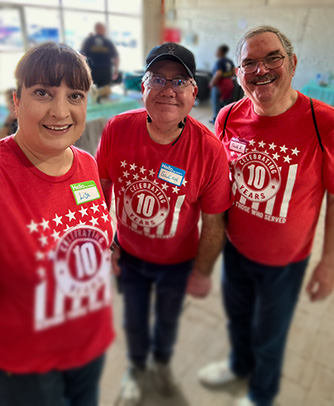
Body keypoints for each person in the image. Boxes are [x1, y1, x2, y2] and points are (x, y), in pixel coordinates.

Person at [198, 26, 334, 406]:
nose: (260, 69)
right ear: (239, 74)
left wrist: (329, 263)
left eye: (272, 58)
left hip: (285, 261)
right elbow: (217, 183)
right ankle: (238, 366)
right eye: (249, 62)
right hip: (235, 249)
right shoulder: (228, 116)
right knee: (237, 317)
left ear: (293, 63)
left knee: (269, 332)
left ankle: (261, 393)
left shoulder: (328, 125)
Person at [95, 42, 233, 406]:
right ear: (142, 86)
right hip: (129, 255)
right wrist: (106, 242)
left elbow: (214, 221)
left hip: (177, 262)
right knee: (135, 318)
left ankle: (161, 366)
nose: (167, 89)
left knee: (168, 320)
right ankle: (136, 368)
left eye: (179, 81)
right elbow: (101, 189)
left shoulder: (209, 150)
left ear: (194, 93)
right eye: (157, 78)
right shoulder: (117, 129)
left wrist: (202, 272)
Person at [0, 42, 115, 406]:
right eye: (43, 93)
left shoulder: (86, 163)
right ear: (16, 102)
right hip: (27, 365)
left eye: (75, 95)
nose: (61, 110)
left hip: (88, 344)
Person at [81, 22, 119, 88]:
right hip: (93, 71)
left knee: (104, 91)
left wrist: (116, 70)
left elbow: (115, 57)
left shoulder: (107, 42)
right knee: (93, 91)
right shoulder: (89, 41)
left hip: (105, 71)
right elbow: (82, 56)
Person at [209, 44, 235, 124]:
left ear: (221, 52)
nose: (216, 52)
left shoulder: (220, 61)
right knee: (224, 103)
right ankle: (223, 119)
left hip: (219, 85)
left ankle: (216, 120)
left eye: (217, 50)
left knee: (216, 103)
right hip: (229, 84)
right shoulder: (229, 61)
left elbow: (218, 73)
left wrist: (212, 83)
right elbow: (234, 71)